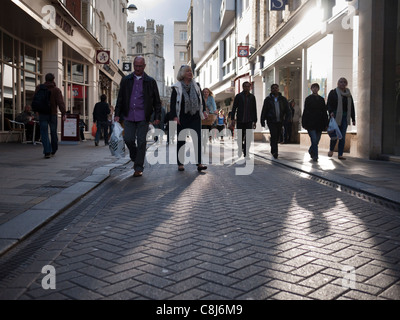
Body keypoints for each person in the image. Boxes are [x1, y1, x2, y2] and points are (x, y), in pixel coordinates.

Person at [115, 56, 161, 177]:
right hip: (128, 115)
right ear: (133, 65)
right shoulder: (126, 80)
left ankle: (138, 167)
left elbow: (157, 100)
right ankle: (135, 157)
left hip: (143, 117)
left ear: (144, 66)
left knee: (141, 142)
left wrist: (157, 115)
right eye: (136, 66)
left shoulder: (150, 81)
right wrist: (117, 114)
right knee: (128, 139)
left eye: (140, 66)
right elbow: (120, 98)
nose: (138, 68)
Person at [170, 65, 208, 172]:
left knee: (197, 139)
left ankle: (199, 163)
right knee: (181, 140)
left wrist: (203, 110)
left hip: (195, 116)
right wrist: (174, 116)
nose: (190, 73)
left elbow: (201, 100)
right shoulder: (177, 87)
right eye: (187, 71)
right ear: (182, 73)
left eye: (190, 71)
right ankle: (180, 163)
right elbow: (173, 104)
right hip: (182, 117)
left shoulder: (196, 85)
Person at [34, 73, 66, 159]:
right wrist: (63, 113)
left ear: (45, 79)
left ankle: (47, 151)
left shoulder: (39, 88)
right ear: (53, 79)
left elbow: (35, 100)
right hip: (52, 114)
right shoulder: (56, 90)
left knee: (44, 132)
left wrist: (36, 111)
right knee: (53, 132)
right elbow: (60, 103)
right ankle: (53, 149)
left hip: (42, 114)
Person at [327, 77, 356, 160]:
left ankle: (340, 154)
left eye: (344, 82)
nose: (342, 83)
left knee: (342, 136)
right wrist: (331, 112)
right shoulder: (333, 93)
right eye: (341, 82)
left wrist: (353, 118)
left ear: (346, 84)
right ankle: (331, 149)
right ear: (338, 83)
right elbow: (329, 104)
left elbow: (352, 107)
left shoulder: (348, 94)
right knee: (335, 135)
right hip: (336, 116)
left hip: (345, 118)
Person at [261, 84, 291, 159]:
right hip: (271, 121)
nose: (274, 89)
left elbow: (288, 110)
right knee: (274, 135)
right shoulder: (267, 100)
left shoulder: (283, 99)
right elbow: (264, 110)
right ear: (271, 90)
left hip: (280, 120)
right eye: (273, 88)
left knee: (277, 136)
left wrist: (288, 117)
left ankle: (273, 145)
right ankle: (275, 152)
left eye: (276, 88)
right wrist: (262, 120)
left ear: (278, 89)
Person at [302, 83, 329, 162]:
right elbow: (305, 111)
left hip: (319, 123)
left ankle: (311, 150)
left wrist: (326, 123)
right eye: (313, 87)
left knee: (317, 140)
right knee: (314, 139)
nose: (315, 89)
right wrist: (304, 123)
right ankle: (315, 156)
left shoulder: (321, 99)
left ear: (318, 89)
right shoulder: (308, 99)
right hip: (310, 123)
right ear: (311, 89)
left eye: (316, 87)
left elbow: (324, 112)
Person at [231, 82, 258, 159]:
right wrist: (232, 118)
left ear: (250, 87)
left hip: (249, 120)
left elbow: (254, 109)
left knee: (248, 137)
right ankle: (241, 148)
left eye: (248, 86)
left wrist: (255, 121)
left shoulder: (252, 97)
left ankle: (246, 152)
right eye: (245, 86)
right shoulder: (238, 96)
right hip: (240, 120)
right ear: (243, 87)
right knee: (240, 137)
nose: (247, 88)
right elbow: (234, 108)